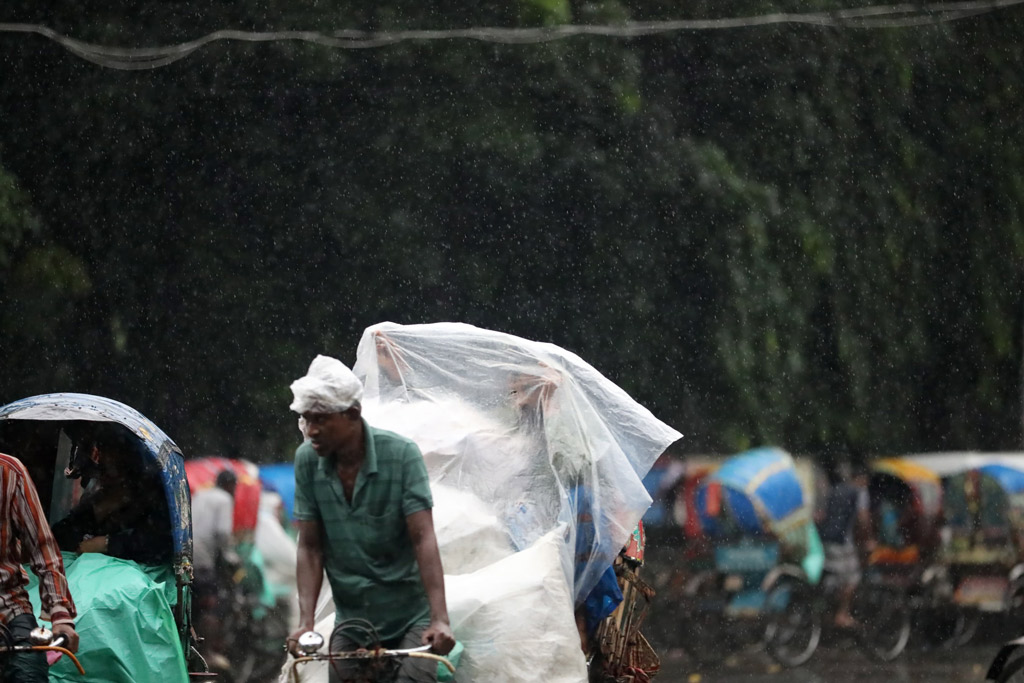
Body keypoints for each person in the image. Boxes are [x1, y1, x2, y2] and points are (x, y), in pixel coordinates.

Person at [286, 354, 455, 683]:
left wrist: (440, 619)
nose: (311, 429)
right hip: (352, 621)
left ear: (352, 413)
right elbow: (310, 547)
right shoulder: (306, 460)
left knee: (414, 680)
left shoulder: (401, 455)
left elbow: (423, 538)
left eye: (320, 419)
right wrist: (306, 623)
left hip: (410, 618)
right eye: (306, 419)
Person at [0, 451, 79, 682]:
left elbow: (43, 549)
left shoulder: (10, 471)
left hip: (8, 608)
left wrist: (60, 616)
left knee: (29, 674)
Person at [51, 427, 172, 564]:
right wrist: (97, 511)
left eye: (116, 465)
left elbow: (159, 544)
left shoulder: (153, 498)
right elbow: (60, 534)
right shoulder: (97, 496)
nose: (106, 460)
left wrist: (107, 543)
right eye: (103, 467)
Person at [190, 469, 238, 671]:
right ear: (230, 486)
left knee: (191, 605)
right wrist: (229, 557)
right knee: (212, 604)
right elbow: (222, 533)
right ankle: (208, 653)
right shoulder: (225, 499)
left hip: (185, 554)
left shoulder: (200, 493)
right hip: (203, 560)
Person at [816, 460, 872, 629]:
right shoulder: (859, 492)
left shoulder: (835, 490)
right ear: (862, 479)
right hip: (842, 542)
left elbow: (824, 515)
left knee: (833, 578)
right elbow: (863, 519)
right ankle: (842, 614)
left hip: (825, 540)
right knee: (853, 578)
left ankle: (825, 613)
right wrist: (869, 539)